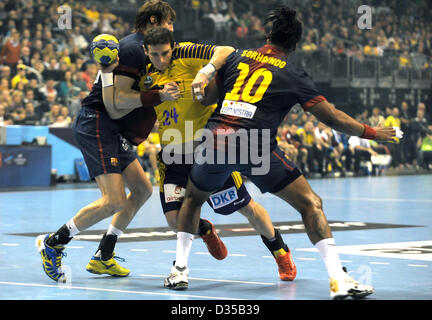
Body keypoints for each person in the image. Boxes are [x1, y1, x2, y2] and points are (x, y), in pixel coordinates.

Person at [165, 6, 397, 299]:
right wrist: (373, 132)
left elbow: (208, 98)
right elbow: (333, 119)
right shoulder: (293, 74)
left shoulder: (237, 57)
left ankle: (179, 272)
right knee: (311, 204)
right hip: (254, 147)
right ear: (294, 44)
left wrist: (207, 78)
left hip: (213, 141)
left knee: (193, 199)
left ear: (268, 34)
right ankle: (338, 279)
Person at [102, 25, 296, 281]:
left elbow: (227, 50)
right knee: (174, 220)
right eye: (155, 54)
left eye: (165, 53)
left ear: (173, 47)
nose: (161, 59)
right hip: (173, 155)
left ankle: (279, 250)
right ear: (145, 51)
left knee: (245, 207)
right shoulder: (144, 74)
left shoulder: (187, 53)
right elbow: (118, 101)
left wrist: (205, 73)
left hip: (208, 151)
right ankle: (204, 230)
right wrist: (122, 80)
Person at [35, 1, 176, 283]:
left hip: (113, 130)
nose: (173, 29)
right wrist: (157, 96)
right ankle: (54, 242)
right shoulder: (134, 48)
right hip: (98, 123)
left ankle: (104, 255)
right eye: (169, 22)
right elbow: (115, 104)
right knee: (113, 200)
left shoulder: (146, 51)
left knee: (141, 189)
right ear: (153, 20)